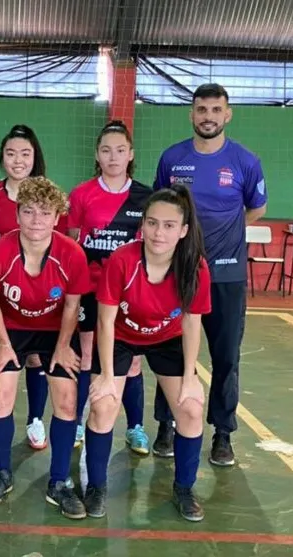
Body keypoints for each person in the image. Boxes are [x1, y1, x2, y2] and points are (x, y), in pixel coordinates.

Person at [152, 83, 267, 466]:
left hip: (226, 276)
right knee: (170, 352)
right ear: (191, 113)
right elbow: (162, 210)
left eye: (216, 110)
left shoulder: (245, 162)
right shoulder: (172, 158)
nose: (208, 117)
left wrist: (223, 239)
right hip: (176, 274)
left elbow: (255, 210)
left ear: (227, 114)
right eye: (201, 109)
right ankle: (166, 425)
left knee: (225, 357)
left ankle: (222, 433)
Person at [85, 185, 211, 521]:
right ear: (143, 224)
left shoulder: (194, 267)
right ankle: (96, 486)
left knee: (192, 409)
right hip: (122, 337)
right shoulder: (122, 261)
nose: (159, 232)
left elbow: (191, 323)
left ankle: (184, 488)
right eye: (152, 223)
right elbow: (106, 321)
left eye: (169, 225)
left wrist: (190, 378)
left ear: (183, 231)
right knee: (102, 406)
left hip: (167, 339)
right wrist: (109, 376)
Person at [0, 176, 89, 520]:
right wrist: (5, 346)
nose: (36, 220)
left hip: (54, 329)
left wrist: (62, 348)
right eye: (28, 211)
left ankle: (59, 481)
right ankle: (1, 472)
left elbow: (72, 306)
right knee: (1, 393)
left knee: (67, 400)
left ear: (57, 218)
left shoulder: (71, 253)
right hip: (12, 328)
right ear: (17, 213)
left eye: (45, 213)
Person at [66, 121, 151, 452]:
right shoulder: (82, 194)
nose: (113, 157)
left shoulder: (146, 196)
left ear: (130, 154)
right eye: (106, 150)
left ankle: (136, 428)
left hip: (130, 293)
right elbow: (73, 245)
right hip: (90, 288)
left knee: (131, 361)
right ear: (96, 155)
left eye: (120, 150)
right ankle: (75, 424)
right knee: (87, 356)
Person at [0, 124, 51, 450]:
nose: (18, 160)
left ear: (35, 158)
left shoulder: (45, 195)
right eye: (11, 153)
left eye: (25, 153)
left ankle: (34, 419)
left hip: (33, 297)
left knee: (34, 359)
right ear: (2, 158)